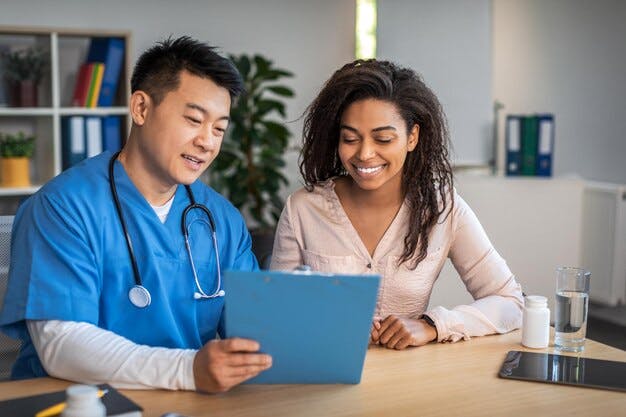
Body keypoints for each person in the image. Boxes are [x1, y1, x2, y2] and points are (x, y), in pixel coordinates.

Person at [0, 36, 271, 392]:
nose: (208, 141)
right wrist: (187, 370)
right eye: (193, 119)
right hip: (75, 403)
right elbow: (60, 344)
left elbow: (253, 330)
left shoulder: (221, 219)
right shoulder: (63, 207)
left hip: (190, 402)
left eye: (219, 128)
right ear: (141, 108)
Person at [270, 59, 523, 349]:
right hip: (323, 375)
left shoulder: (443, 208)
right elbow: (277, 314)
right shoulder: (303, 208)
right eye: (350, 138)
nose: (365, 154)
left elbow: (510, 301)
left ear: (412, 137)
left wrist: (432, 325)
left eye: (384, 139)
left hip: (406, 382)